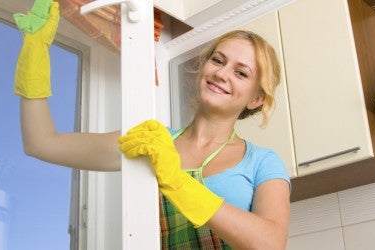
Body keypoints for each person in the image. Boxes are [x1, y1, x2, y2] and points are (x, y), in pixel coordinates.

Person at [15, 1, 291, 249]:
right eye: (217, 60)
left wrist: (176, 180)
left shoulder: (261, 162)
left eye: (241, 72)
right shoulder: (152, 142)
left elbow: (270, 243)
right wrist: (35, 49)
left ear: (256, 98)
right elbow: (41, 143)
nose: (220, 73)